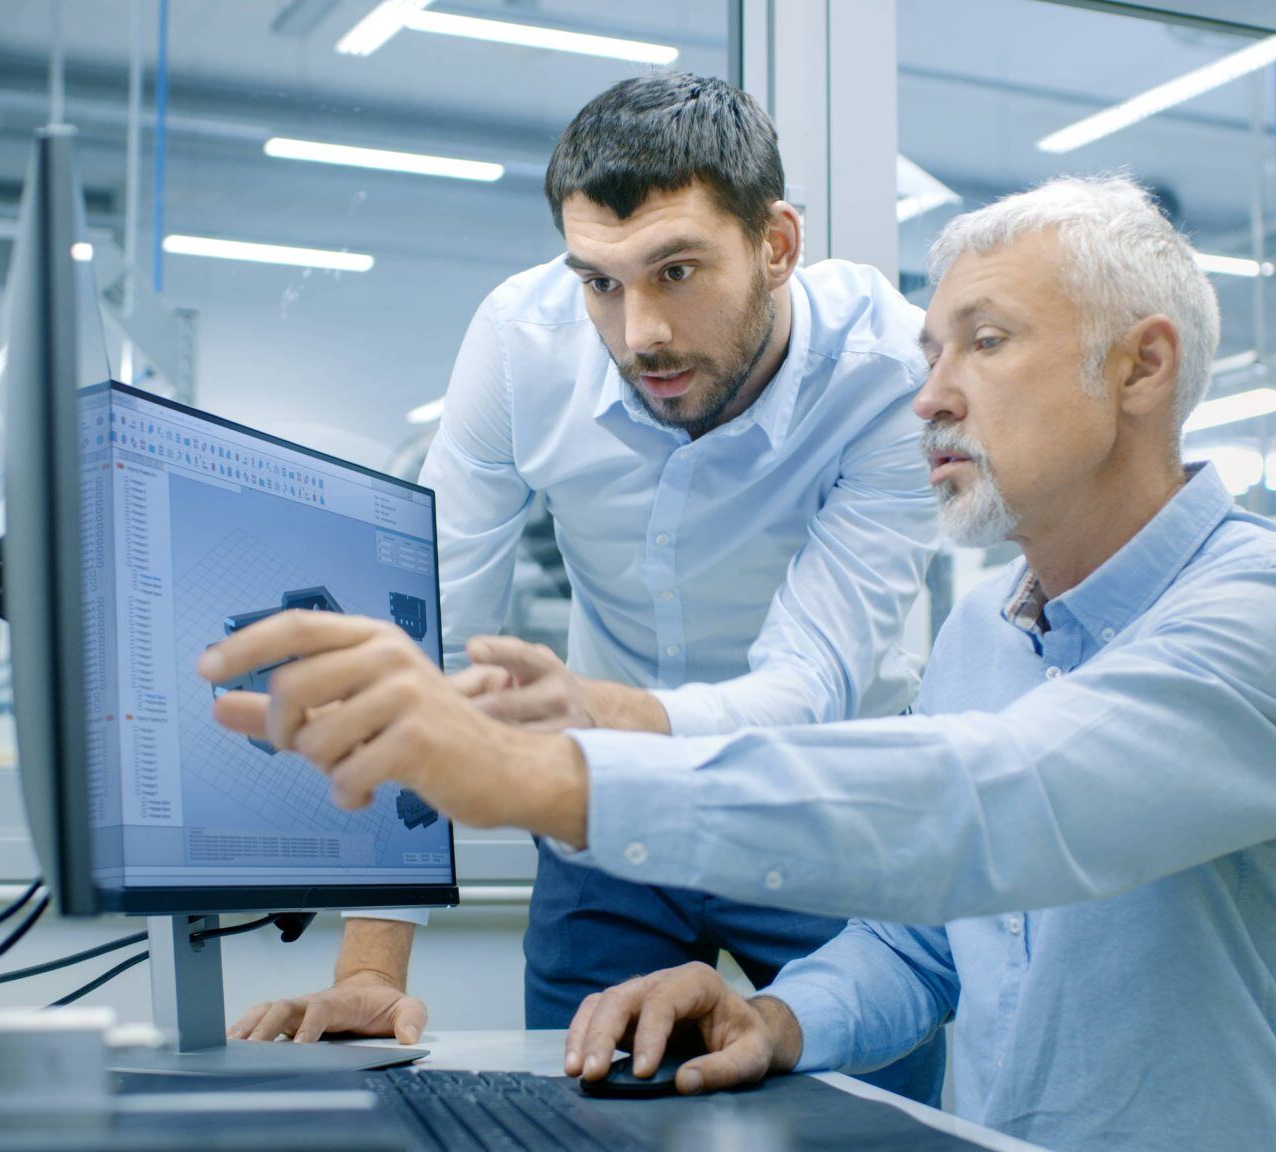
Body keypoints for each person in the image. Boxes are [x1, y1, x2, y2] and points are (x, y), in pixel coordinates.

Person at [196, 174, 1276, 1152]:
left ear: (1139, 367)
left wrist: (540, 771)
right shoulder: (987, 635)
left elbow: (994, 804)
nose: (926, 395)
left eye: (981, 345)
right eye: (931, 350)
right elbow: (923, 941)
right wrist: (773, 1016)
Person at [224, 72, 945, 1098]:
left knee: (869, 1118)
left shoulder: (886, 375)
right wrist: (371, 971)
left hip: (822, 803)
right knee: (581, 1117)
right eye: (599, 282)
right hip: (609, 811)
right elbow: (423, 653)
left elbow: (806, 687)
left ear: (776, 245)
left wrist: (577, 713)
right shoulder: (523, 343)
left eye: (676, 271)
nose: (637, 331)